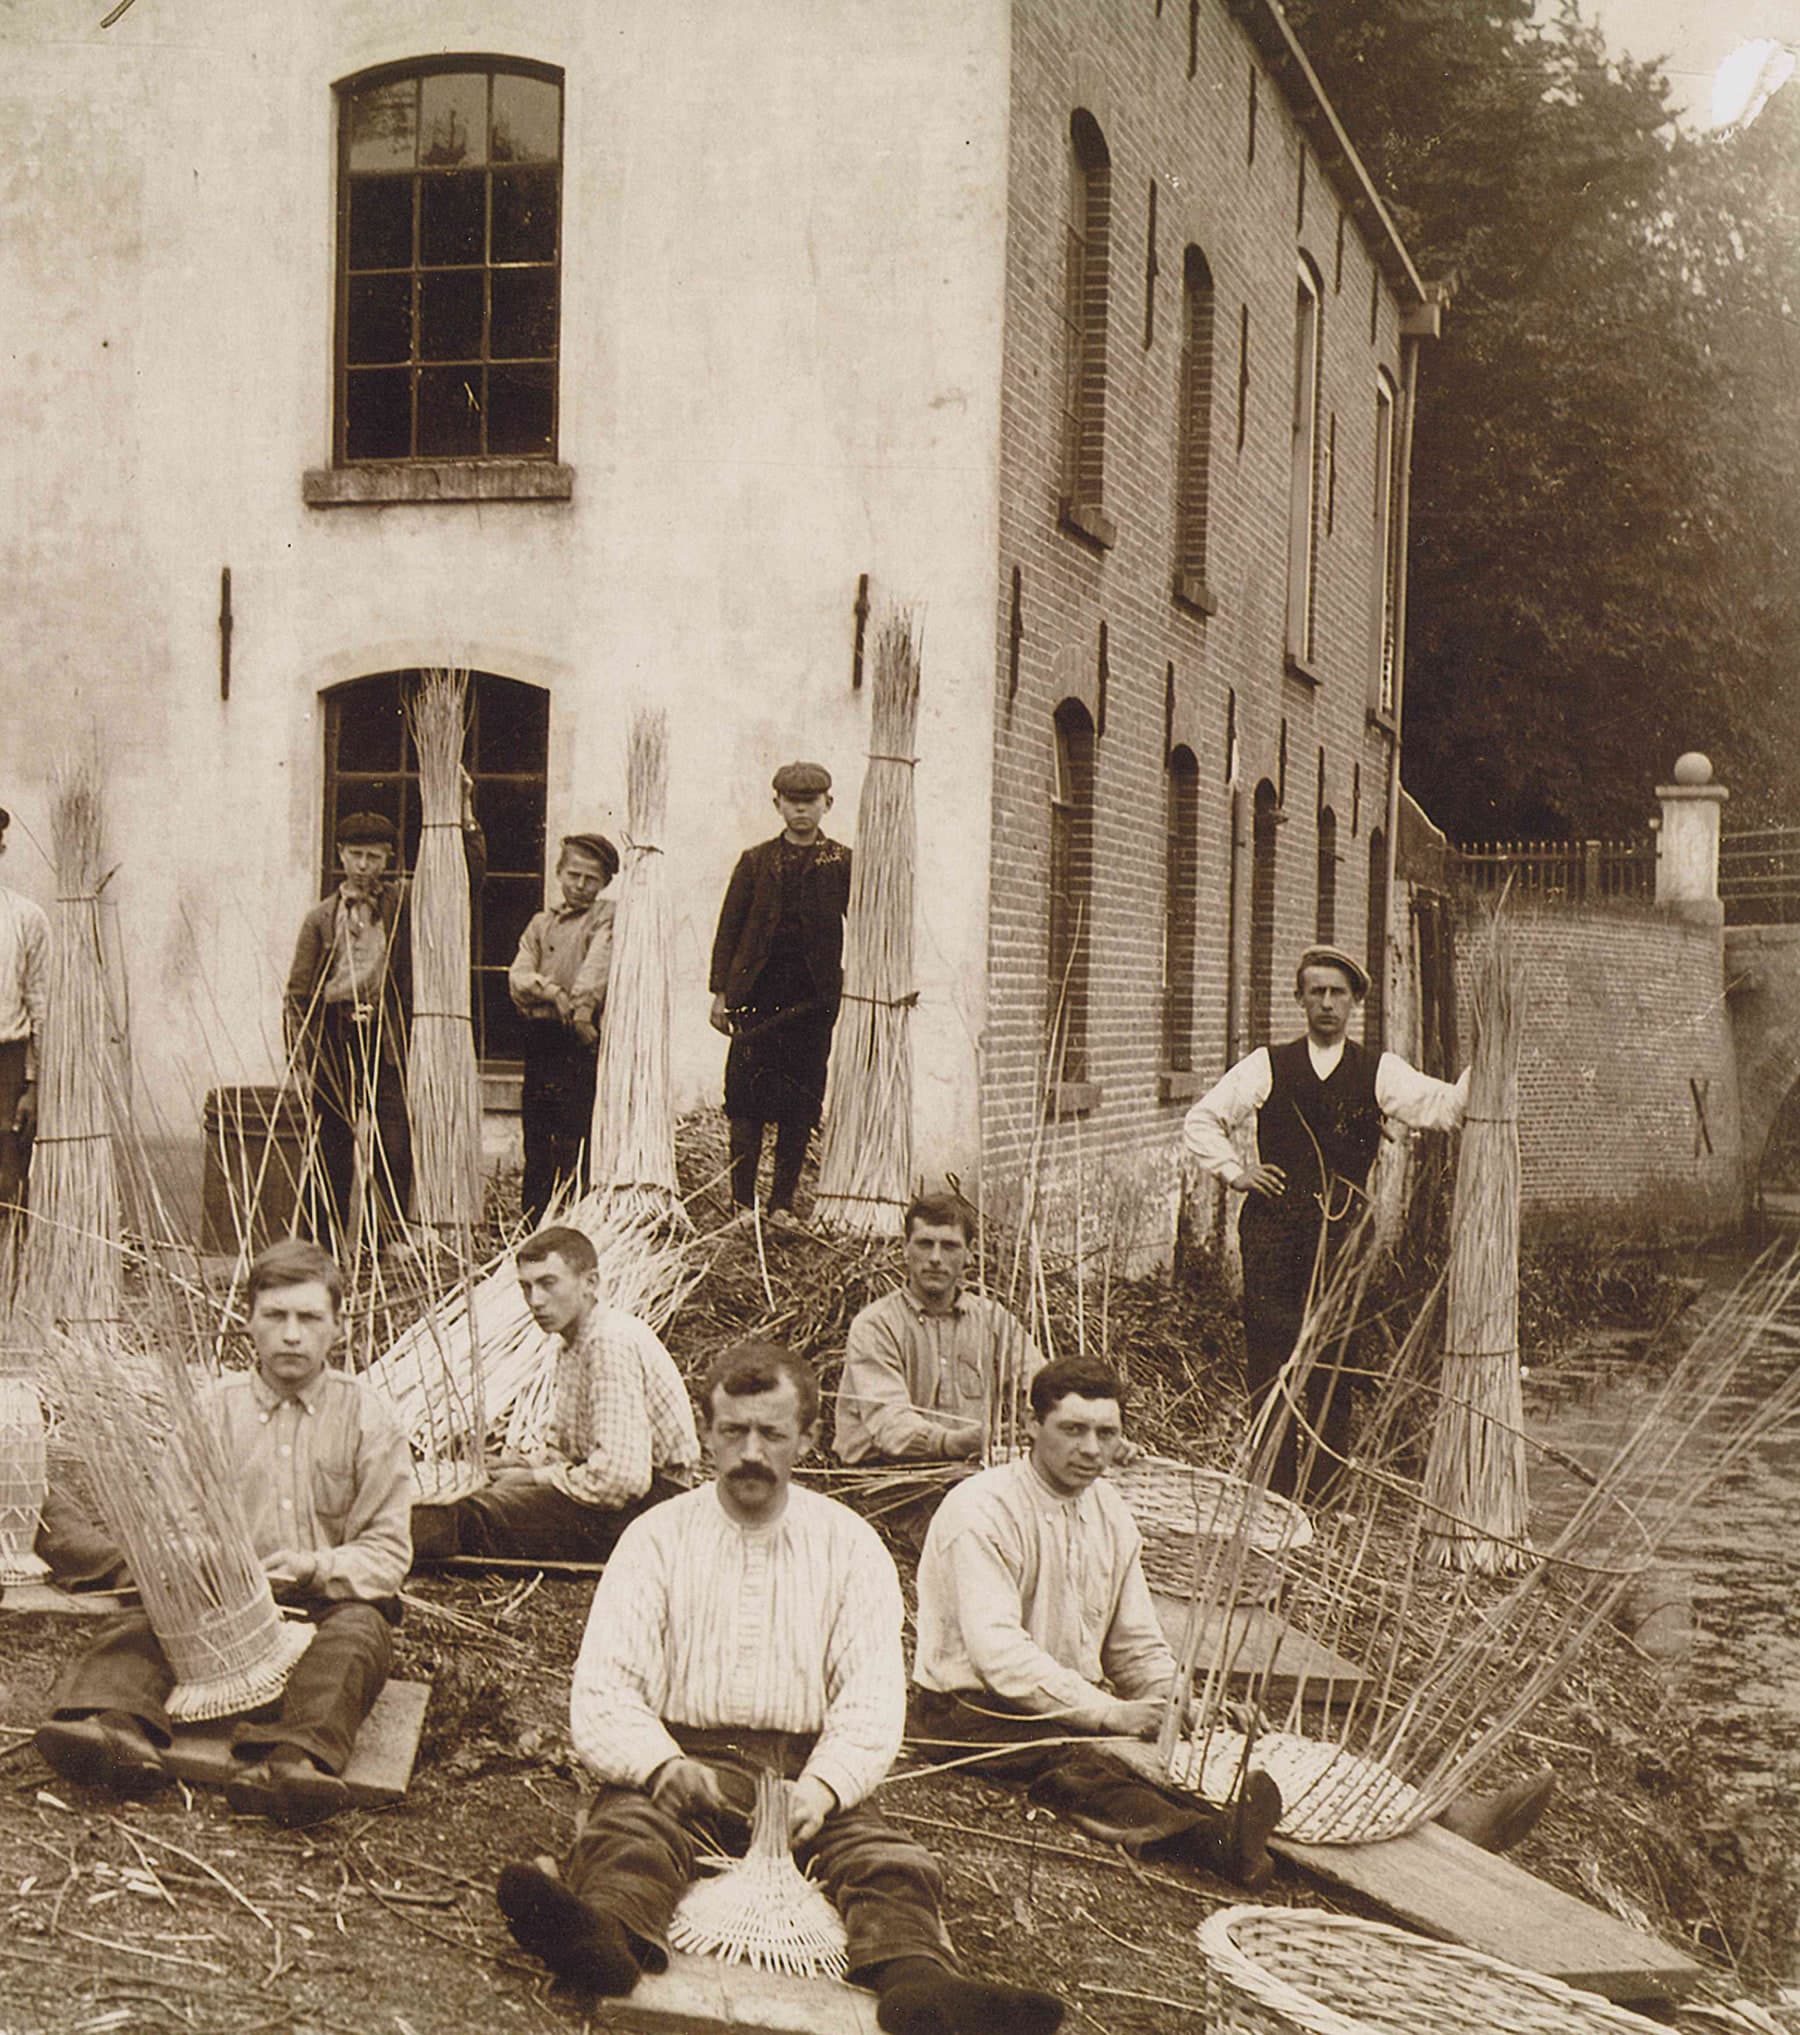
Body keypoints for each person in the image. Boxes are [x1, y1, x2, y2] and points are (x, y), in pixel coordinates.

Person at [496, 1342, 1063, 2035]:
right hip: (689, 1760)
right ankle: (606, 1941)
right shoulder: (656, 1538)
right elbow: (608, 1685)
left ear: (808, 1437)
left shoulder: (849, 1546)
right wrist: (659, 1763)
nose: (750, 1453)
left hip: (804, 1771)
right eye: (733, 1431)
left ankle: (920, 1985)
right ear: (707, 1433)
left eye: (772, 1432)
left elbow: (870, 1701)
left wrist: (823, 1788)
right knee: (631, 1836)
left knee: (887, 1862)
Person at [33, 1239, 412, 1827]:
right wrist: (215, 1566)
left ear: (337, 1328)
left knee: (359, 1638)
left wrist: (314, 1565)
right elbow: (173, 1529)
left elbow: (387, 1553)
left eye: (309, 1318)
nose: (292, 1334)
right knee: (142, 1620)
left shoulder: (370, 1417)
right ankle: (112, 1728)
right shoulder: (212, 1411)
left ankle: (286, 1761)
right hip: (215, 1603)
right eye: (275, 1317)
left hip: (322, 1604)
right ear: (249, 1323)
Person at [911, 1357, 1285, 1888]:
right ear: (1032, 1425)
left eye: (1106, 1433)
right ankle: (1212, 1844)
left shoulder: (1110, 1511)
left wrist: (1175, 1702)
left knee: (1154, 1752)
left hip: (1065, 1703)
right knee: (1074, 1764)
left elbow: (1134, 1644)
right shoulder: (981, 1510)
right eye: (1072, 1429)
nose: (1090, 1449)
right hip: (967, 1709)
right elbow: (999, 1656)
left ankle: (1236, 1826)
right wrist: (1110, 1713)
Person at [1183, 945, 1468, 1496]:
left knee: (1336, 1360)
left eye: (1338, 993)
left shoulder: (1378, 1071)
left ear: (1356, 1001)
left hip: (1342, 1234)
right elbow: (1202, 1120)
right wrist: (1235, 1172)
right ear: (1300, 998)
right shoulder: (1268, 1064)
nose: (1327, 1003)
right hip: (1273, 1231)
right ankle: (1271, 1491)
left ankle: (1325, 1493)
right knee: (1271, 1357)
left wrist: (1482, 1078)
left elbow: (1442, 1107)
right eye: (1316, 992)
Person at [410, 1224, 699, 1563]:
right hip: (624, 1498)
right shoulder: (572, 1344)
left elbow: (621, 1480)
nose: (535, 1301)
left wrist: (534, 1478)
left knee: (469, 1516)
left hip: (650, 1509)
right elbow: (569, 1451)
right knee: (481, 1489)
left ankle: (371, 1538)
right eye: (526, 1287)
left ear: (590, 1283)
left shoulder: (609, 1341)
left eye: (548, 1284)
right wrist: (519, 1467)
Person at [284, 802, 485, 1250]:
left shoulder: (404, 905)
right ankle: (322, 1247)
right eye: (355, 854)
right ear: (340, 855)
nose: (363, 866)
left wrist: (466, 819)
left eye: (374, 856)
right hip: (335, 1039)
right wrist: (299, 1061)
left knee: (393, 1143)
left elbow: (460, 884)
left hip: (387, 1038)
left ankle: (386, 1246)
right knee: (330, 1147)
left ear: (389, 860)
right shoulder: (320, 919)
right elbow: (297, 995)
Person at [834, 1190, 1045, 1546]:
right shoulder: (876, 1325)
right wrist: (954, 1441)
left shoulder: (992, 1320)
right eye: (924, 1244)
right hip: (895, 1481)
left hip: (968, 1473)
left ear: (969, 1255)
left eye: (948, 1246)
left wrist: (1084, 1429)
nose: (935, 1258)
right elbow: (891, 1427)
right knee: (967, 1542)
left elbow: (1047, 1387)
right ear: (905, 1249)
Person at [708, 761, 851, 1226]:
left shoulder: (842, 862)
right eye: (793, 802)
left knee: (801, 1102)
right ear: (778, 805)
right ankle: (742, 1204)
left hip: (813, 1001)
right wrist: (720, 994)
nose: (802, 810)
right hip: (757, 996)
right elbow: (729, 928)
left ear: (827, 804)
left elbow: (867, 924)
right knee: (745, 1100)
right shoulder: (755, 861)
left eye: (811, 802)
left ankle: (782, 1205)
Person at [508, 832, 619, 1226]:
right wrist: (551, 991)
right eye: (574, 875)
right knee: (537, 1132)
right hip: (541, 1036)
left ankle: (574, 1219)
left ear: (604, 882)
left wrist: (581, 1007)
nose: (581, 885)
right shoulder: (541, 924)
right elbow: (519, 976)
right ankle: (534, 1221)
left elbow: (597, 965)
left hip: (578, 1036)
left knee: (575, 1130)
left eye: (591, 878)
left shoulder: (604, 917)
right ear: (558, 873)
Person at [0, 807, 48, 1248]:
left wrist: (31, 1085)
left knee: (8, 1178)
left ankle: (11, 1291)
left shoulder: (24, 918)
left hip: (7, 1063)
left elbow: (39, 1004)